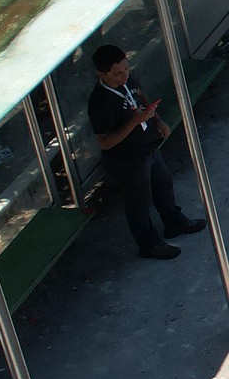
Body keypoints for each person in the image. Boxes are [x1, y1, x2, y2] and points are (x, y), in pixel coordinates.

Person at [88, 44, 207, 261]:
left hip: (149, 148)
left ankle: (174, 222)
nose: (124, 76)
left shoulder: (128, 80)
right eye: (117, 74)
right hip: (128, 161)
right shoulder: (100, 102)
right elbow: (104, 142)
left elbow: (140, 95)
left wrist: (157, 120)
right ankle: (149, 245)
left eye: (126, 69)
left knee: (164, 186)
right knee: (138, 204)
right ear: (102, 74)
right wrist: (134, 122)